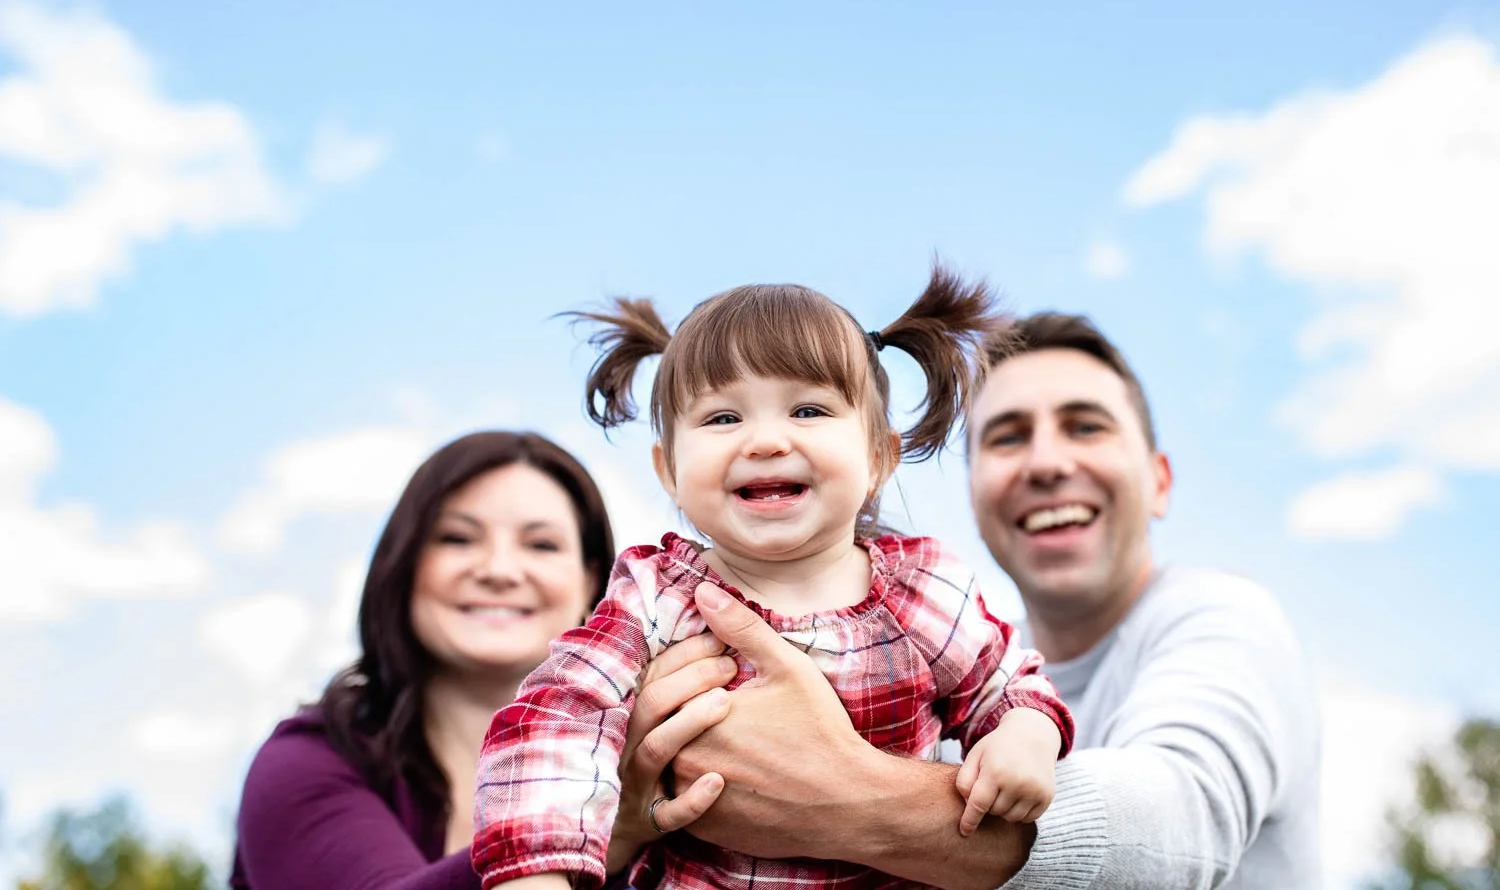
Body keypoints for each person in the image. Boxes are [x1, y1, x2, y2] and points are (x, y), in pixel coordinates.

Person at [651, 312, 1321, 889]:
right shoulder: (938, 666)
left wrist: (839, 796)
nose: (1046, 464)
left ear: (1159, 481)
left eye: (1086, 427)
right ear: (972, 490)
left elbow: (1186, 823)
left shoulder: (1222, 618)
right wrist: (631, 810)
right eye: (1007, 436)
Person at [470, 268, 1076, 890]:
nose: (763, 441)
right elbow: (559, 719)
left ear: (878, 457)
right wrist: (536, 874)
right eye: (722, 418)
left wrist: (1024, 735)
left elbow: (1006, 686)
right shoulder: (654, 599)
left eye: (807, 409)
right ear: (669, 470)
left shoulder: (922, 591)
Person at [231, 430, 735, 890]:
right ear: (404, 567)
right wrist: (596, 825)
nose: (498, 570)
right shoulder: (305, 762)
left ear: (593, 583)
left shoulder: (674, 760)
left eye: (540, 544)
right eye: (457, 538)